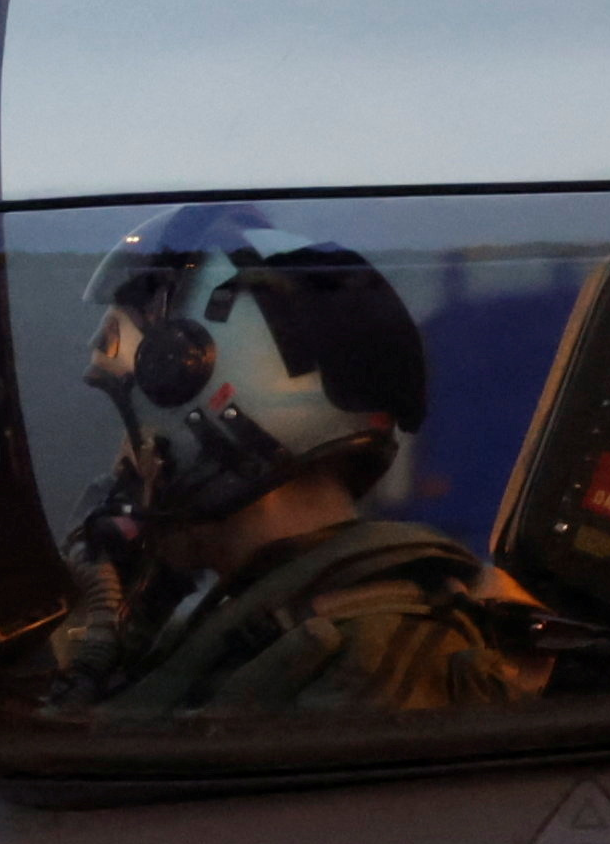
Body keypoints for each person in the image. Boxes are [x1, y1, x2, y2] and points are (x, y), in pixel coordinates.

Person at [41, 215, 552, 721]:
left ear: (211, 416)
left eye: (132, 430)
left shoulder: (355, 656)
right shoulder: (266, 625)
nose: (123, 462)